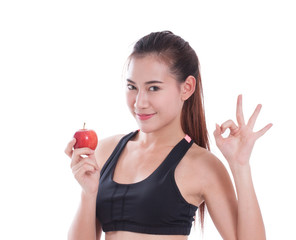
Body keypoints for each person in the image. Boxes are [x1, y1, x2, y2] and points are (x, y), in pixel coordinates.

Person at [65, 31, 272, 240]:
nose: (139, 102)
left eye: (153, 88)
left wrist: (240, 166)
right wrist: (88, 193)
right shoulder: (104, 151)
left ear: (187, 88)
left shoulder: (202, 165)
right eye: (132, 87)